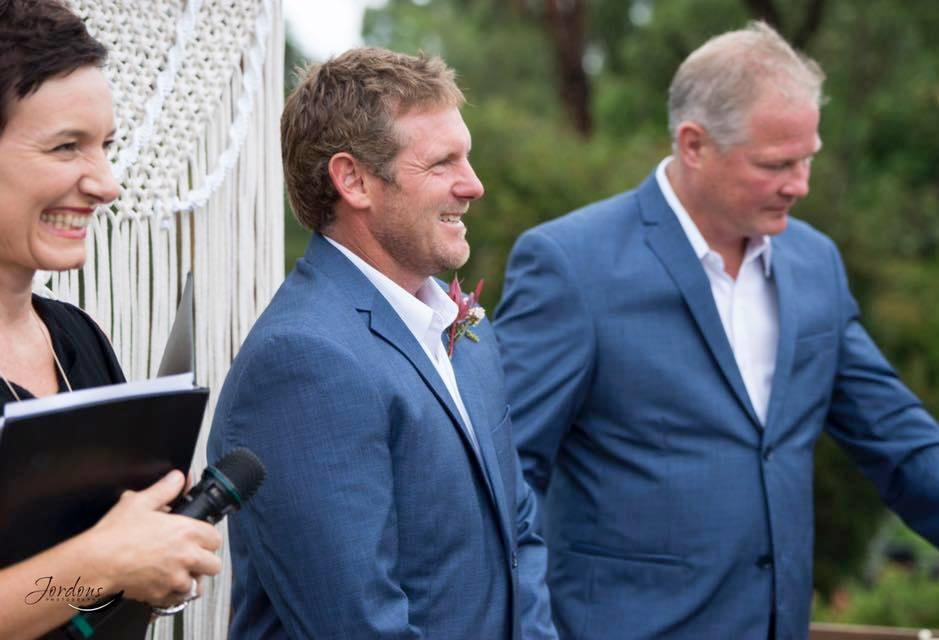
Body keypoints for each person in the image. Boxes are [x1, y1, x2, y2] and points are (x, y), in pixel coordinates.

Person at [494, 21, 939, 640]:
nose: (801, 184)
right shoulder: (572, 265)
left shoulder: (815, 264)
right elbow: (502, 474)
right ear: (694, 144)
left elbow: (899, 440)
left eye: (808, 158)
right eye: (776, 164)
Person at [207, 47, 556, 639]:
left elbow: (519, 531)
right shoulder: (304, 360)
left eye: (466, 157)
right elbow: (358, 622)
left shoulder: (467, 330)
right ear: (354, 180)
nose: (473, 185)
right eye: (442, 163)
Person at [0, 1, 222, 637]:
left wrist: (155, 563)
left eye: (106, 147)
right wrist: (106, 565)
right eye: (67, 146)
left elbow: (88, 596)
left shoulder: (79, 337)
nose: (106, 184)